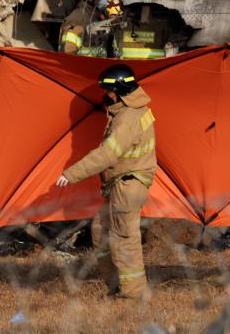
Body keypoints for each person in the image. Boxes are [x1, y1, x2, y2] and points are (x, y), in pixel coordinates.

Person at [55, 64, 156, 300]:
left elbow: (107, 155)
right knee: (100, 232)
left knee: (123, 237)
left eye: (109, 91)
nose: (105, 95)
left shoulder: (127, 120)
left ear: (119, 90)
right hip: (118, 184)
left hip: (128, 184)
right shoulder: (128, 111)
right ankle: (116, 287)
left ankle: (133, 293)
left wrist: (71, 174)